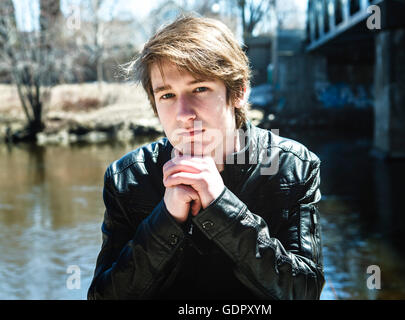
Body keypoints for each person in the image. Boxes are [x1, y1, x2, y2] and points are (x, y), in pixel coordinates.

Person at [88, 15, 325, 300]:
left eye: (199, 89)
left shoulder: (293, 166)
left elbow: (305, 292)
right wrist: (166, 219)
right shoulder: (127, 178)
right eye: (167, 96)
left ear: (238, 91)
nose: (183, 114)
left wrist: (221, 206)